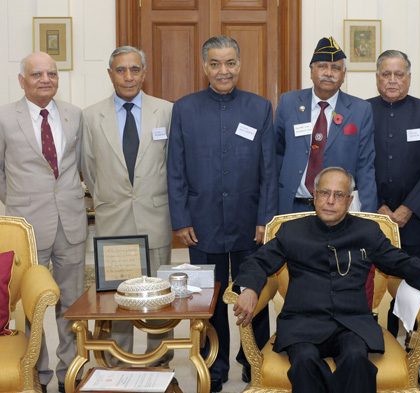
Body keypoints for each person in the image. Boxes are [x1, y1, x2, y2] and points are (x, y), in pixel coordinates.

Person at [233, 167, 420, 393]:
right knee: (304, 361)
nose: (330, 201)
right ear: (315, 196)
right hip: (303, 323)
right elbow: (258, 261)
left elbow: (400, 261)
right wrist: (249, 288)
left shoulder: (367, 231)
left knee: (356, 358)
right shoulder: (292, 231)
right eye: (325, 193)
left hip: (352, 323)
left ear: (349, 201)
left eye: (339, 195)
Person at [167, 35, 278, 392]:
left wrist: (266, 218)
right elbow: (176, 169)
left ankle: (253, 363)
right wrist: (181, 219)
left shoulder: (259, 107)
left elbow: (268, 169)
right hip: (202, 221)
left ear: (239, 65)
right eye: (215, 63)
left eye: (230, 63)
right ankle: (212, 371)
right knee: (207, 300)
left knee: (253, 296)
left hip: (250, 221)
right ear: (204, 67)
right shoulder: (184, 108)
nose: (223, 70)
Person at [81, 46, 174, 367]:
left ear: (144, 73)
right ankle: (113, 367)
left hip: (155, 219)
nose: (128, 76)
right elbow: (89, 169)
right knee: (115, 300)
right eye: (121, 70)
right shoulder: (91, 116)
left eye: (135, 69)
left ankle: (158, 363)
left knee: (158, 299)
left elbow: (172, 166)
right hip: (114, 222)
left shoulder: (166, 111)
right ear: (110, 74)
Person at [0, 52, 87, 393]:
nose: (45, 79)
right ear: (22, 80)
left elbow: (80, 165)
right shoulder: (5, 118)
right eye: (37, 74)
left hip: (71, 222)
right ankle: (38, 371)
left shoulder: (74, 116)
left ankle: (71, 371)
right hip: (29, 228)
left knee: (73, 302)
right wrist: (20, 202)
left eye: (51, 73)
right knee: (32, 305)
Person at [368, 49, 420, 380]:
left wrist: (409, 207)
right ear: (377, 77)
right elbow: (360, 165)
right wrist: (377, 207)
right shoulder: (363, 110)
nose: (393, 80)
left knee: (416, 287)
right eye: (386, 74)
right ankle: (378, 351)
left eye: (400, 74)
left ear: (409, 78)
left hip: (416, 220)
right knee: (375, 288)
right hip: (374, 220)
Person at [275, 36, 377, 214]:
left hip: (336, 210)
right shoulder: (288, 102)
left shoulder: (361, 110)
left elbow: (365, 167)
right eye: (322, 66)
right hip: (291, 206)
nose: (329, 73)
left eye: (336, 68)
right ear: (311, 71)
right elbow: (275, 156)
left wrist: (369, 215)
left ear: (343, 75)